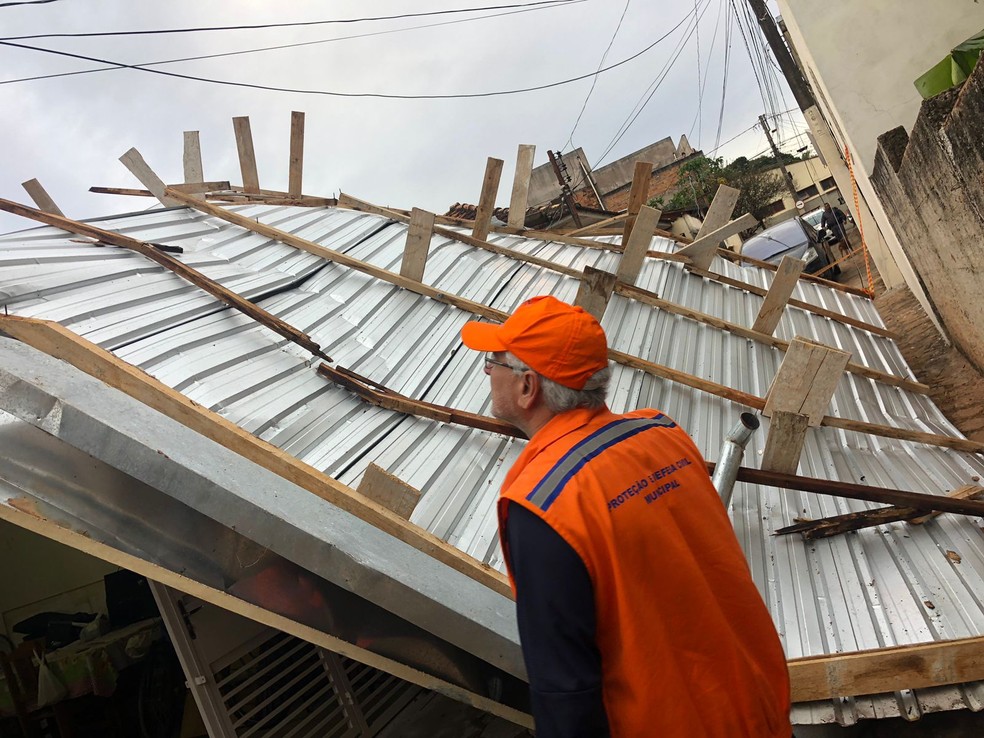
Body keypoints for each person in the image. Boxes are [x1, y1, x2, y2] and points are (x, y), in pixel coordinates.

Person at [461, 296, 791, 738]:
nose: (487, 371)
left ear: (527, 387)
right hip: (760, 708)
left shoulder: (542, 506)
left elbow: (566, 693)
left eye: (494, 361)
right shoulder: (662, 433)